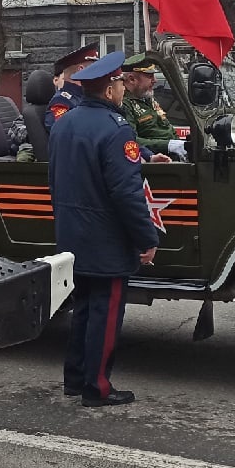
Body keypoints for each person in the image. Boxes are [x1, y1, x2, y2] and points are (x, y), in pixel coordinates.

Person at [47, 51, 160, 408]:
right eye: (119, 84)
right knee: (105, 314)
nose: (123, 90)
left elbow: (55, 181)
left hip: (73, 235)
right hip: (106, 239)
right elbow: (127, 193)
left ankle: (76, 378)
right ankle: (97, 387)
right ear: (109, 90)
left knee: (83, 308)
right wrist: (146, 237)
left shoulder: (65, 123)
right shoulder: (116, 130)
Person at [121, 53, 190, 160]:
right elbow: (131, 141)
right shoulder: (125, 104)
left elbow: (166, 127)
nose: (155, 80)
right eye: (149, 76)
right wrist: (169, 145)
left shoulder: (147, 98)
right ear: (131, 79)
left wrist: (179, 144)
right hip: (155, 161)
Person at [43, 44, 98, 134]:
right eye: (94, 69)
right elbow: (63, 134)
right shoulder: (61, 101)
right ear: (81, 70)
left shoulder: (84, 96)